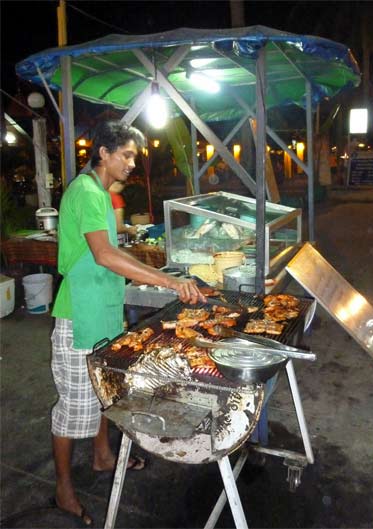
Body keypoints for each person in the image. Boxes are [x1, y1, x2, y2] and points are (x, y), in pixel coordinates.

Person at [50, 120, 205, 526]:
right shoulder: (85, 191)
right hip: (78, 314)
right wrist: (170, 281)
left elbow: (113, 251)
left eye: (134, 156)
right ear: (103, 152)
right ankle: (63, 488)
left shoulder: (100, 193)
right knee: (73, 410)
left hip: (102, 309)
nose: (132, 163)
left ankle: (103, 456)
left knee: (104, 390)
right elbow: (103, 255)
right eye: (127, 155)